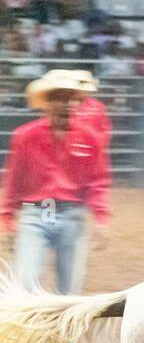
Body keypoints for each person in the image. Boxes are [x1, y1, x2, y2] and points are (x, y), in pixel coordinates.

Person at [0, 68, 111, 293]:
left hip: (72, 215)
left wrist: (101, 218)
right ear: (49, 103)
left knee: (69, 292)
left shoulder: (89, 138)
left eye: (73, 98)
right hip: (35, 215)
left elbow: (97, 181)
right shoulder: (25, 137)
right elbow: (14, 180)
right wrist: (7, 219)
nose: (69, 104)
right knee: (24, 285)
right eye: (62, 98)